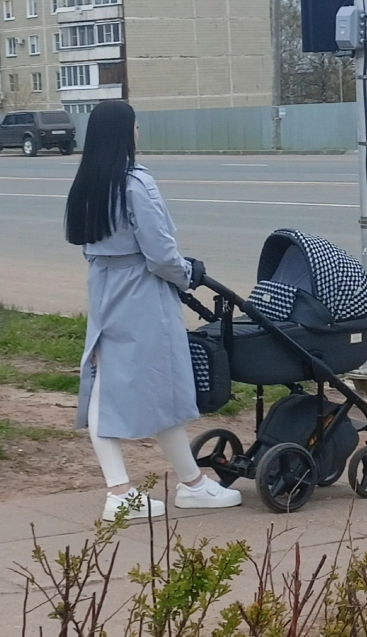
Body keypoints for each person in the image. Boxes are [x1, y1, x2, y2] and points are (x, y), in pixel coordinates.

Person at [65, 100, 242, 521]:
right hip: (142, 292)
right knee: (163, 384)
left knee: (105, 381)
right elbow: (161, 253)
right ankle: (166, 488)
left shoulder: (88, 183)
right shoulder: (134, 183)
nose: (139, 133)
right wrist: (187, 274)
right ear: (126, 134)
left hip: (106, 288)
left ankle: (154, 485)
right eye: (137, 127)